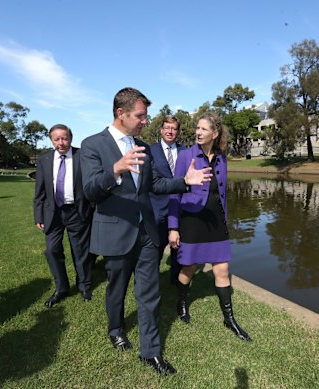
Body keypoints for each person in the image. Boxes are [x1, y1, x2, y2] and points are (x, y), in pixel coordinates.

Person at [80, 87, 212, 375]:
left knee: (149, 293)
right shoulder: (92, 145)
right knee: (117, 288)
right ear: (121, 113)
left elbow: (155, 185)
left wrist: (185, 181)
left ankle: (150, 352)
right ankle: (115, 328)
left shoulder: (142, 146)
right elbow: (90, 191)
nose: (144, 121)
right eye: (140, 115)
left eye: (145, 116)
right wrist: (115, 170)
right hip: (116, 232)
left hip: (148, 233)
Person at [168, 112, 251, 341]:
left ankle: (229, 319)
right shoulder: (186, 156)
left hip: (215, 221)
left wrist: (225, 219)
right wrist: (173, 227)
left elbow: (222, 193)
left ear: (215, 133)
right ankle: (182, 303)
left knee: (222, 269)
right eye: (197, 128)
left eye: (203, 129)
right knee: (190, 267)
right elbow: (175, 193)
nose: (198, 132)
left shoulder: (222, 158)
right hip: (192, 221)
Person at [34, 124, 97, 307]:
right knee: (52, 250)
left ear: (71, 138)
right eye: (57, 139)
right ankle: (61, 288)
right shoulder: (44, 160)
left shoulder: (81, 156)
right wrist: (38, 215)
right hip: (52, 213)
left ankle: (84, 285)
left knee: (80, 251)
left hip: (77, 211)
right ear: (51, 140)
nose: (61, 143)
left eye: (64, 138)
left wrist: (90, 207)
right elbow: (39, 191)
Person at [149, 116, 185, 285]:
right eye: (167, 128)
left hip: (180, 208)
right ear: (161, 130)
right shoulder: (150, 151)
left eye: (174, 128)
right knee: (156, 249)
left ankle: (176, 280)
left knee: (178, 248)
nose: (170, 131)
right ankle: (151, 282)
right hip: (157, 209)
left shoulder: (186, 152)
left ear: (178, 132)